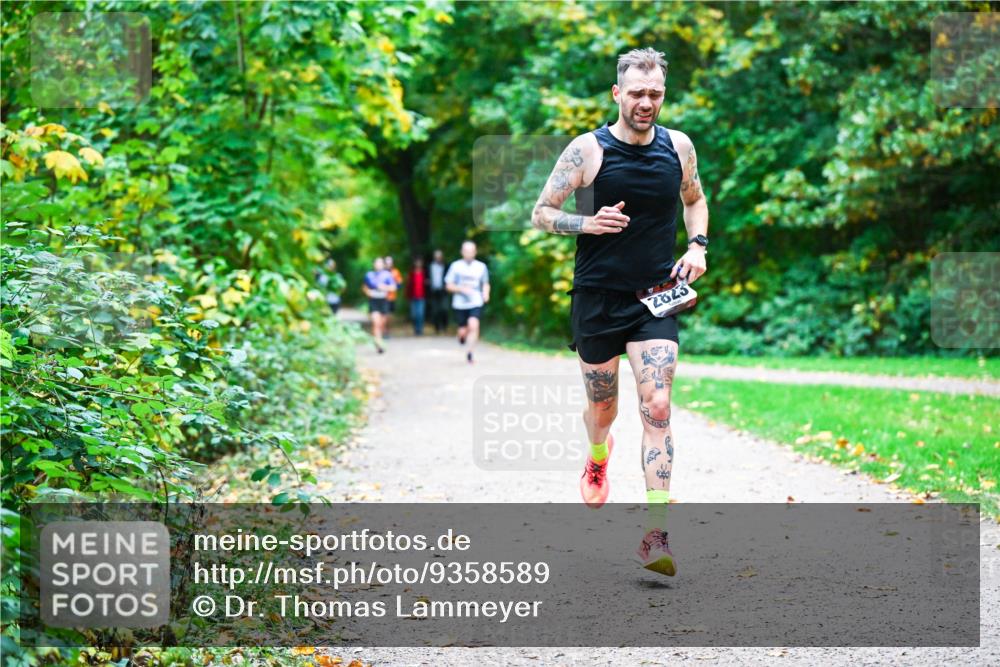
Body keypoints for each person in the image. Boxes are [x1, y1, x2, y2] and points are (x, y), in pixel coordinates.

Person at [530, 47, 709, 577]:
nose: (646, 102)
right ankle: (597, 452)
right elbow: (542, 213)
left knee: (658, 405)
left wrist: (697, 246)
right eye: (636, 93)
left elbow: (694, 200)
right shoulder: (587, 150)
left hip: (654, 298)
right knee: (603, 410)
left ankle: (656, 536)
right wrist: (586, 223)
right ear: (617, 94)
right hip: (597, 298)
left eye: (655, 93)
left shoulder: (678, 147)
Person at [444, 241, 490, 364]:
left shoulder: (481, 267)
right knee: (463, 330)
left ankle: (470, 353)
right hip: (459, 304)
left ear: (475, 252)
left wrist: (486, 293)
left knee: (473, 324)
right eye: (466, 251)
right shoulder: (455, 266)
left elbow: (485, 283)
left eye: (471, 251)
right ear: (462, 252)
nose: (469, 253)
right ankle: (462, 336)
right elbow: (448, 285)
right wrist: (461, 289)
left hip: (475, 302)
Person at [363, 257, 397, 353]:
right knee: (376, 322)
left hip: (383, 300)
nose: (378, 264)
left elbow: (394, 287)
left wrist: (384, 287)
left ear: (383, 264)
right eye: (377, 263)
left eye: (380, 263)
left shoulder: (387, 275)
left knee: (382, 324)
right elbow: (365, 287)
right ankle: (379, 344)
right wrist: (368, 292)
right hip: (373, 300)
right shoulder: (369, 275)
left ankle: (378, 339)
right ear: (374, 264)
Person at [406, 257, 428, 336]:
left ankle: (420, 330)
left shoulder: (425, 273)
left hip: (422, 296)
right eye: (417, 262)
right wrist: (407, 295)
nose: (418, 264)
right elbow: (408, 285)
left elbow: (427, 284)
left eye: (420, 262)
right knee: (414, 314)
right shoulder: (411, 273)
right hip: (413, 296)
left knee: (420, 314)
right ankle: (415, 329)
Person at [428, 249, 449, 333]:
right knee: (435, 310)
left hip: (443, 291)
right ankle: (437, 328)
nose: (438, 258)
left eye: (439, 257)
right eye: (436, 257)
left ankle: (444, 326)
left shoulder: (446, 266)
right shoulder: (430, 266)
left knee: (444, 309)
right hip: (434, 291)